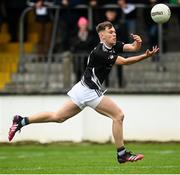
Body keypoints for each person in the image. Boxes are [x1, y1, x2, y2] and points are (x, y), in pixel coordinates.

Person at [8, 21, 159, 164]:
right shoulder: (100, 52)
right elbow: (125, 62)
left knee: (58, 117)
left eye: (114, 31)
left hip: (82, 88)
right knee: (118, 116)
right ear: (102, 36)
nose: (114, 34)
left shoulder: (112, 46)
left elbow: (132, 48)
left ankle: (21, 121)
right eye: (110, 32)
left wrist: (138, 43)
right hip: (89, 91)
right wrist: (146, 56)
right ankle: (122, 154)